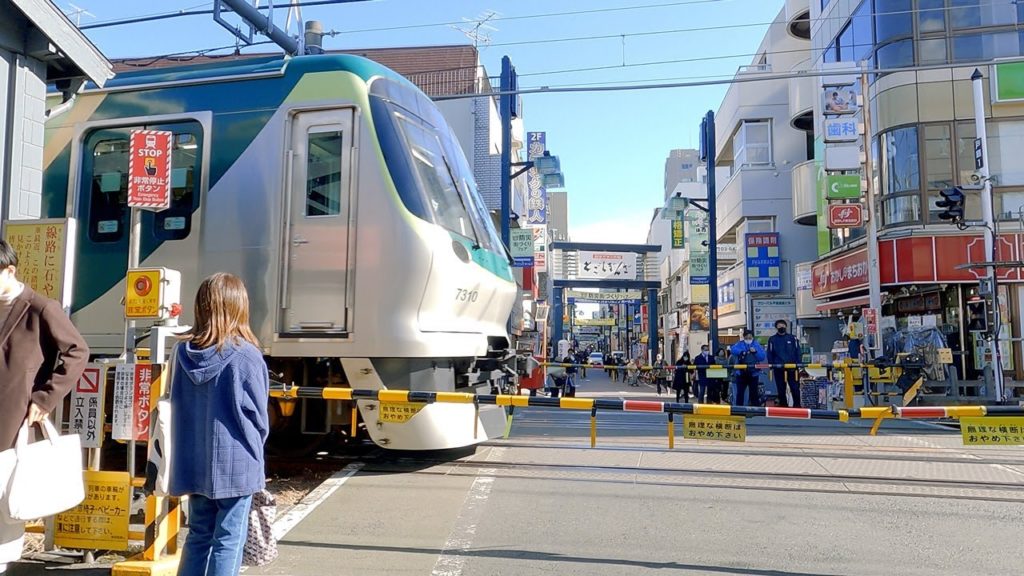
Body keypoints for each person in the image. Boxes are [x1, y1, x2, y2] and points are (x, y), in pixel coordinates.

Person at [0, 240, 89, 575]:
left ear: (10, 271)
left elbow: (78, 352)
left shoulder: (41, 308)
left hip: (14, 418)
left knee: (6, 503)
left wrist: (45, 398)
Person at [172, 273, 270, 576]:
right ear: (239, 307)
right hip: (237, 464)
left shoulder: (183, 353)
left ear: (201, 307)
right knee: (229, 539)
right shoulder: (246, 355)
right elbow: (258, 419)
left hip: (194, 461)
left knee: (199, 534)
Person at [767, 320, 802, 408]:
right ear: (776, 328)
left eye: (783, 325)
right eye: (779, 326)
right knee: (781, 388)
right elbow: (770, 353)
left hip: (792, 367)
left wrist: (798, 363)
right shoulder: (772, 339)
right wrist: (771, 364)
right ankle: (783, 405)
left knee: (795, 387)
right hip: (778, 367)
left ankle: (797, 405)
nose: (781, 327)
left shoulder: (792, 338)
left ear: (786, 327)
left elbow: (798, 351)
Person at [730, 329, 766, 406]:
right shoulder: (740, 344)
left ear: (752, 337)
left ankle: (756, 409)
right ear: (744, 337)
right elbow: (733, 349)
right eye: (746, 337)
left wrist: (755, 352)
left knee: (754, 392)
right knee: (740, 393)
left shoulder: (756, 345)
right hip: (741, 372)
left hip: (754, 373)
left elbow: (762, 357)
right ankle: (739, 409)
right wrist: (742, 352)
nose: (748, 339)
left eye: (750, 337)